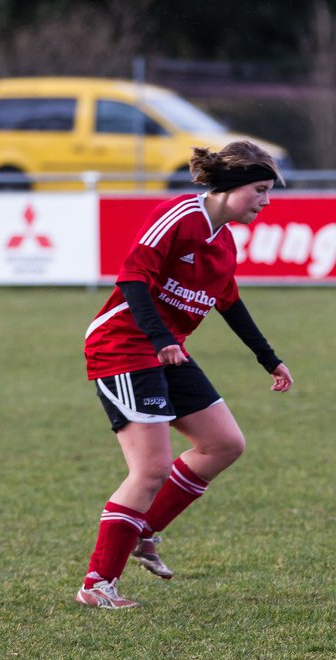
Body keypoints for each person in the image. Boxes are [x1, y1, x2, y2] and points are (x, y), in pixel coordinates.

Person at [78, 140, 294, 608]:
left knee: (223, 444)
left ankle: (143, 529)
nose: (266, 200)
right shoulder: (180, 216)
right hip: (123, 347)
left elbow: (229, 303)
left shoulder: (224, 241)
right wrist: (162, 341)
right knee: (151, 468)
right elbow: (132, 280)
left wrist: (268, 357)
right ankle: (97, 584)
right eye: (259, 189)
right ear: (232, 186)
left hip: (165, 350)